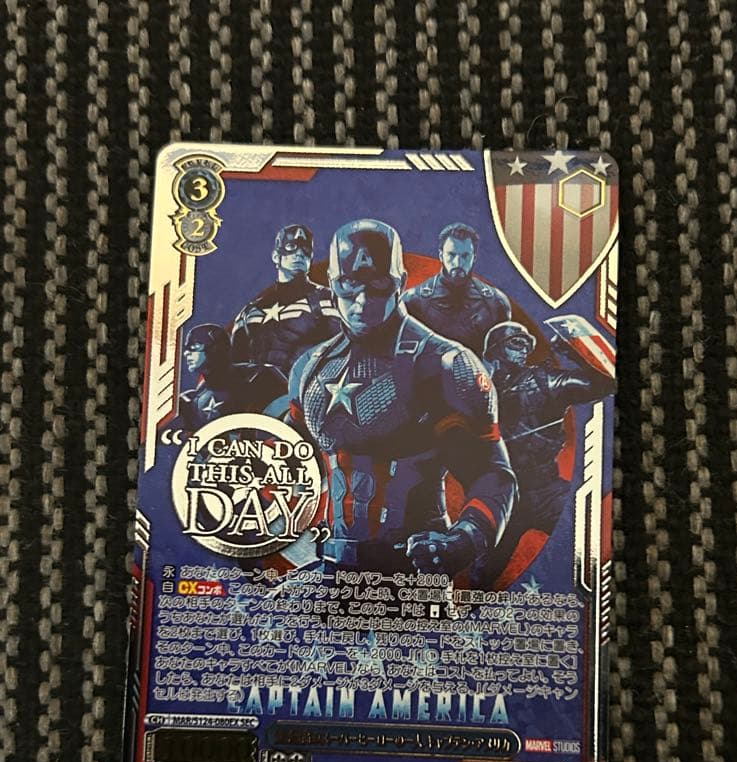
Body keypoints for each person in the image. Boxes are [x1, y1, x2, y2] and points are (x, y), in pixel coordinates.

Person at [287, 219, 516, 576]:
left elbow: (492, 475)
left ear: (400, 283)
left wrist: (464, 541)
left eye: (379, 286)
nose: (363, 302)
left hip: (413, 573)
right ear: (332, 284)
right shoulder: (309, 369)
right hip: (333, 567)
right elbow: (288, 459)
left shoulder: (444, 364)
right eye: (349, 285)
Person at [477, 318, 616, 583]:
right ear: (495, 350)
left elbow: (604, 383)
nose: (524, 349)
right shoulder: (479, 391)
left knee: (587, 547)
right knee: (482, 577)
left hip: (547, 493)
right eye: (515, 342)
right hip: (504, 497)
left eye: (526, 343)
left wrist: (572, 351)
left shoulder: (544, 381)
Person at [230, 224, 339, 414]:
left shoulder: (328, 299)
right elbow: (235, 365)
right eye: (291, 247)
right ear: (276, 256)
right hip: (256, 408)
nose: (299, 254)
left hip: (307, 404)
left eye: (305, 250)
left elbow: (346, 352)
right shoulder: (250, 311)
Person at [401, 222, 511, 356]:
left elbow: (504, 359)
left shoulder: (496, 303)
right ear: (441, 255)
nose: (458, 263)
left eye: (465, 256)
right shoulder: (413, 301)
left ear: (474, 257)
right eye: (451, 255)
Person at [178, 323, 246, 430]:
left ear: (215, 349)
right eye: (187, 348)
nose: (186, 353)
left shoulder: (255, 376)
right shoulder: (190, 401)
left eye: (194, 347)